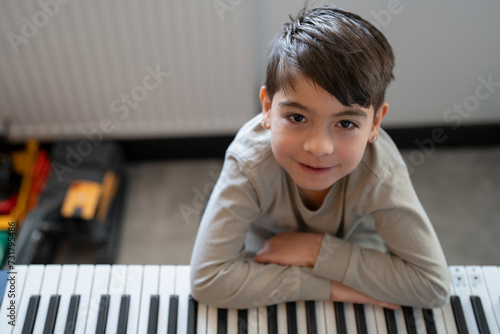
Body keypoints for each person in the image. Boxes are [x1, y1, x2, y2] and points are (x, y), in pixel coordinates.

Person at [190, 5, 450, 310]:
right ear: (267, 108)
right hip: (266, 241)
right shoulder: (248, 162)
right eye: (297, 117)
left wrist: (317, 251)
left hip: (350, 239)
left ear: (375, 124)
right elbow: (207, 281)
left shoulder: (382, 173)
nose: (319, 147)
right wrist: (331, 289)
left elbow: (432, 286)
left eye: (346, 123)